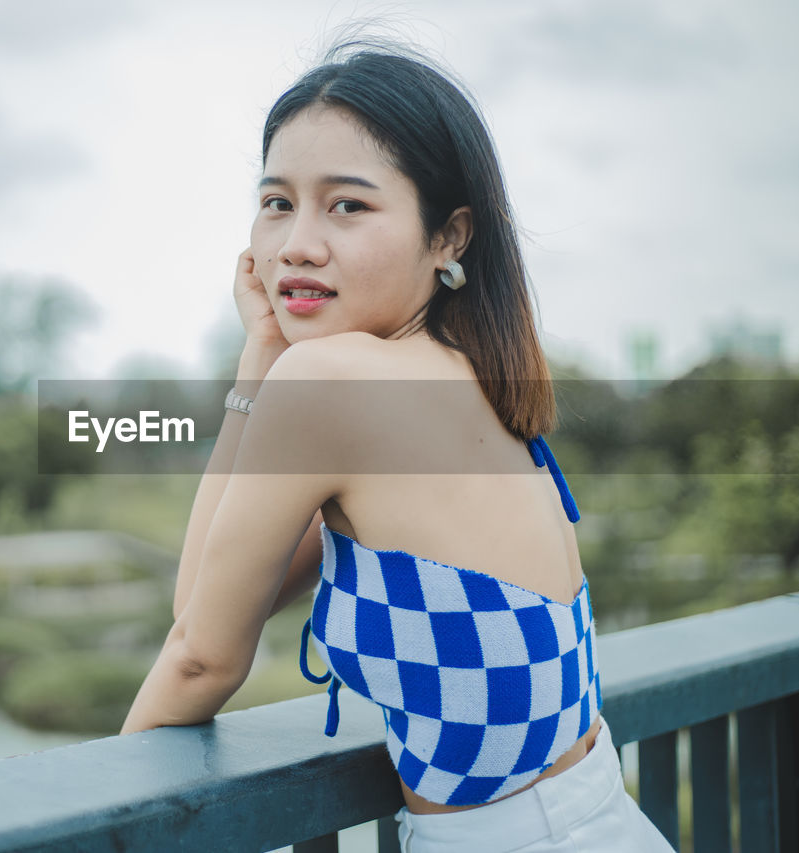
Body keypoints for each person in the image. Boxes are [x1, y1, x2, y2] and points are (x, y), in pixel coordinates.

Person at [121, 41, 675, 853]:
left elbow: (199, 654)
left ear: (449, 236)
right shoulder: (470, 376)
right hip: (603, 819)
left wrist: (101, 811)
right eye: (277, 202)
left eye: (347, 206)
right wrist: (260, 361)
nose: (296, 245)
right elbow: (208, 598)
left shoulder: (334, 383)